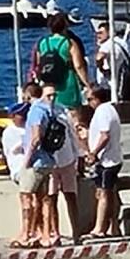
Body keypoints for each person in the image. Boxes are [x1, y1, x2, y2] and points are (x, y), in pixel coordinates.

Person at [16, 82, 55, 248]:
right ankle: (45, 233)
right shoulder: (47, 109)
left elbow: (36, 137)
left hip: (36, 161)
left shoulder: (35, 111)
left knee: (25, 197)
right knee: (43, 198)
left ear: (27, 95)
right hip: (47, 160)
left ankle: (25, 233)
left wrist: (26, 160)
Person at [42, 85, 82, 246]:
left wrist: (79, 156)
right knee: (51, 198)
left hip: (67, 160)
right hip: (50, 162)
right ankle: (55, 233)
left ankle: (76, 233)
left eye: (53, 95)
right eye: (48, 96)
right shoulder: (40, 113)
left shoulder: (63, 113)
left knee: (71, 196)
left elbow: (73, 135)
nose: (51, 99)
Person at [32, 13, 92, 114]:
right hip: (67, 81)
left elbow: (39, 64)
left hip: (48, 83)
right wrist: (87, 83)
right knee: (73, 112)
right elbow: (78, 65)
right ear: (65, 25)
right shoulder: (69, 43)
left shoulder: (42, 42)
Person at [85, 87, 123, 237]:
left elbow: (104, 135)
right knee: (109, 192)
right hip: (111, 158)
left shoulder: (102, 112)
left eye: (89, 100)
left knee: (103, 193)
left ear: (97, 99)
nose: (88, 103)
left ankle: (99, 227)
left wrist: (94, 153)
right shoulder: (110, 110)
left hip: (107, 160)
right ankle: (112, 227)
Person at [1, 102, 30, 245]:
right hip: (20, 169)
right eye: (21, 115)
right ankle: (26, 230)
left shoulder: (27, 128)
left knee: (37, 200)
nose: (24, 117)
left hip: (31, 168)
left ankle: (34, 229)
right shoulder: (10, 131)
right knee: (27, 201)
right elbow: (17, 149)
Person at [94, 22, 130, 100]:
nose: (98, 36)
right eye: (97, 33)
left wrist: (101, 68)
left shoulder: (107, 44)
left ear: (110, 32)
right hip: (122, 83)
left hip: (110, 86)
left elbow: (99, 57)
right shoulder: (122, 43)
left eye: (101, 33)